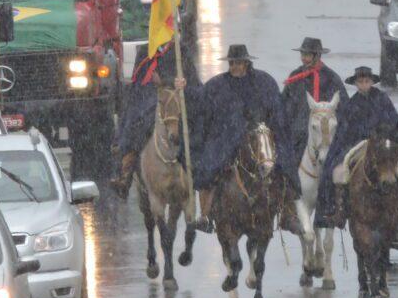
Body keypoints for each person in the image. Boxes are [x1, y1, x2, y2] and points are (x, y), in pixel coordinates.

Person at [193, 44, 301, 234]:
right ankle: (205, 215)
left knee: (284, 163)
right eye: (232, 63)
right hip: (225, 136)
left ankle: (288, 213)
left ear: (246, 63)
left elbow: (276, 112)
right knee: (208, 165)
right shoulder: (216, 86)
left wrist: (269, 129)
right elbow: (201, 110)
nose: (235, 67)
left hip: (259, 134)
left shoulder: (264, 82)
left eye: (239, 63)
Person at [315, 65, 398, 229]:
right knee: (335, 170)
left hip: (382, 142)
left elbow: (393, 124)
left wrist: (381, 133)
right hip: (357, 144)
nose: (364, 84)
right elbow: (344, 131)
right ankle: (336, 209)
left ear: (371, 82)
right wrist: (359, 137)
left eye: (366, 81)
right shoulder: (352, 104)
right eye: (360, 82)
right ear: (356, 84)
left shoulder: (382, 99)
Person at [110, 41, 201, 199]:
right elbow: (139, 81)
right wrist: (162, 84)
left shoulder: (182, 50)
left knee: (198, 118)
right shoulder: (146, 51)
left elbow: (192, 78)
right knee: (138, 119)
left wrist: (181, 82)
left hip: (179, 95)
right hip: (151, 96)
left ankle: (204, 169)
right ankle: (126, 171)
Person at [281, 37, 348, 170]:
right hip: (297, 135)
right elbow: (284, 103)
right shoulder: (295, 76)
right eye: (302, 54)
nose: (303, 58)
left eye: (307, 55)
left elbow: (343, 107)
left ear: (317, 56)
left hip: (321, 137)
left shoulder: (331, 78)